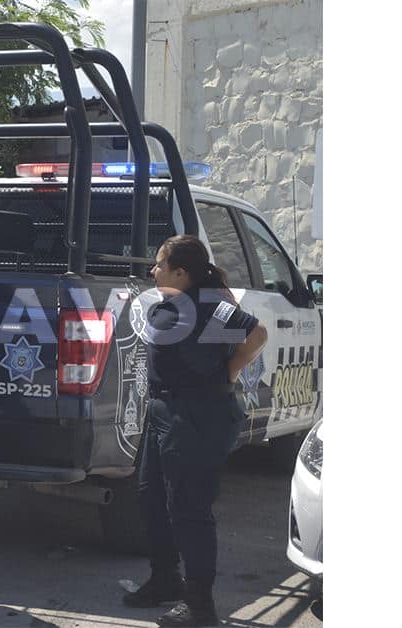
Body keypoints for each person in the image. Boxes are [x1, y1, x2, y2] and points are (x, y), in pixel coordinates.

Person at [122, 234, 268, 627]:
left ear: (181, 272)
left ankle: (200, 605)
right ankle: (165, 580)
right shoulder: (179, 300)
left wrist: (228, 372)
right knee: (152, 497)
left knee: (188, 508)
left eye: (159, 264)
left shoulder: (210, 303)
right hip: (164, 410)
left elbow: (256, 335)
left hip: (197, 413)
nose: (153, 270)